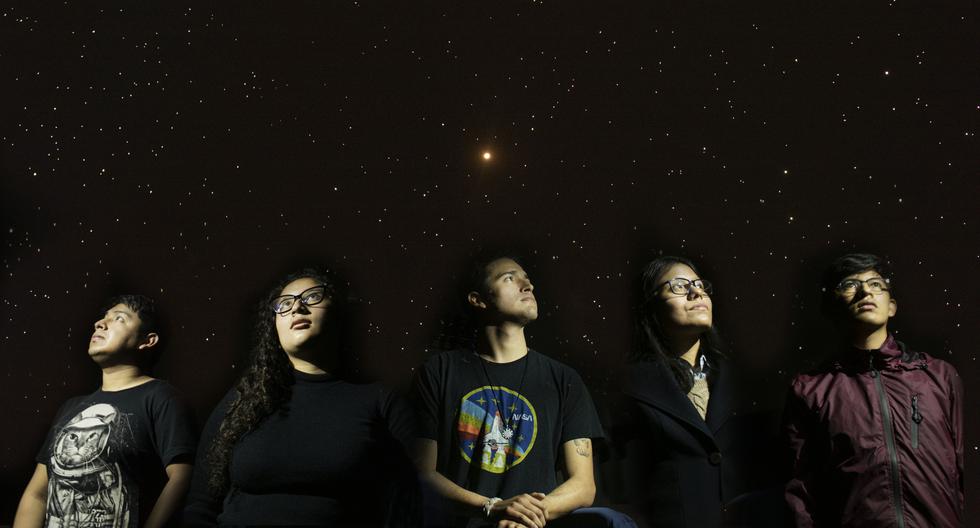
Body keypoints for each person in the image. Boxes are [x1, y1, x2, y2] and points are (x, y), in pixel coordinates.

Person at [412, 252, 634, 528]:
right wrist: (491, 508)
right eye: (509, 278)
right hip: (470, 521)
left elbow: (583, 485)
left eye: (527, 280)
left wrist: (524, 516)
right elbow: (421, 474)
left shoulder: (563, 379)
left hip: (536, 524)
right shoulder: (439, 372)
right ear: (478, 299)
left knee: (614, 522)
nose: (528, 285)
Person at [183, 267, 419, 526]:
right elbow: (201, 503)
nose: (296, 307)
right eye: (284, 304)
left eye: (311, 297)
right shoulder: (245, 399)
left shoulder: (381, 402)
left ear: (338, 313)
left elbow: (407, 505)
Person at [784, 253, 964, 526]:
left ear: (892, 306)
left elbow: (962, 470)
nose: (865, 290)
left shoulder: (938, 375)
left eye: (876, 284)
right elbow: (801, 491)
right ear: (833, 306)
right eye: (850, 284)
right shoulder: (810, 389)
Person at [13, 294, 196, 528]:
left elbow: (182, 477)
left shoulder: (161, 398)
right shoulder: (71, 408)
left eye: (119, 318)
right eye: (102, 318)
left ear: (147, 341)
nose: (100, 323)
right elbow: (37, 494)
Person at [610, 256, 745, 527]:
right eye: (679, 286)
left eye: (700, 285)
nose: (696, 292)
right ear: (650, 306)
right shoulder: (629, 386)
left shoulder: (743, 379)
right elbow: (619, 478)